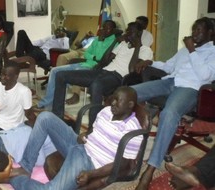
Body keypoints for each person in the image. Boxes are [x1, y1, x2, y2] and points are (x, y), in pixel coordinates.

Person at [131, 17, 215, 190]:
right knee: (129, 93)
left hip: (191, 89)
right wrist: (150, 62)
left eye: (199, 30)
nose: (194, 33)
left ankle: (150, 169)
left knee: (169, 113)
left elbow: (205, 76)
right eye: (194, 29)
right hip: (171, 82)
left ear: (210, 33)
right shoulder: (185, 50)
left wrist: (192, 50)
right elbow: (168, 66)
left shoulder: (212, 52)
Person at [9, 86, 143, 190]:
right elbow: (94, 130)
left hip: (89, 161)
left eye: (118, 100)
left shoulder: (133, 130)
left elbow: (122, 164)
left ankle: (13, 180)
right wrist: (87, 134)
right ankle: (26, 166)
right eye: (113, 98)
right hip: (80, 145)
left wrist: (91, 174)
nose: (112, 102)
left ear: (130, 105)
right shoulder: (106, 111)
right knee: (45, 117)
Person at [52, 22, 153, 126]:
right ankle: (57, 117)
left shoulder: (145, 50)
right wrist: (115, 41)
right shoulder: (123, 45)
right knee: (61, 75)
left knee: (97, 84)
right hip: (103, 71)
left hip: (118, 78)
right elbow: (105, 60)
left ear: (139, 34)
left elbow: (132, 70)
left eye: (131, 31)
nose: (127, 34)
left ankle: (93, 126)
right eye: (127, 31)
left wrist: (137, 47)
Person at [35, 20, 118, 110]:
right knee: (54, 71)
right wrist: (94, 57)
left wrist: (94, 55)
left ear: (113, 30)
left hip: (94, 68)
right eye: (104, 27)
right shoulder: (98, 39)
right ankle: (48, 102)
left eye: (108, 28)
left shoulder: (114, 43)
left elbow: (102, 58)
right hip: (85, 63)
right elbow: (87, 53)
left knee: (67, 74)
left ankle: (55, 101)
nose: (105, 30)